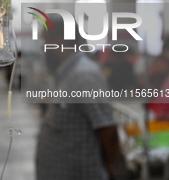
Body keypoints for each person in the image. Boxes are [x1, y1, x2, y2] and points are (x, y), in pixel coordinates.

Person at [35, 16, 119, 180]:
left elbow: (107, 130)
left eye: (45, 43)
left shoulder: (84, 76)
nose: (43, 49)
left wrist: (109, 167)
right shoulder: (67, 74)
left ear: (59, 42)